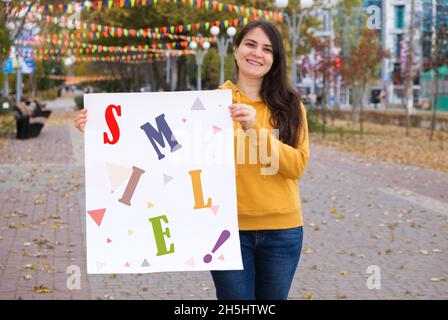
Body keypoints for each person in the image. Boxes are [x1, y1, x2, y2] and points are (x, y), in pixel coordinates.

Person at [74, 20, 309, 300]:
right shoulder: (208, 104)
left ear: (275, 59)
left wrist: (255, 129)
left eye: (267, 49)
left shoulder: (290, 106)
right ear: (235, 51)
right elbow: (163, 151)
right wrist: (100, 130)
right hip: (226, 231)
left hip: (282, 232)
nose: (257, 53)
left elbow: (296, 166)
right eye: (250, 44)